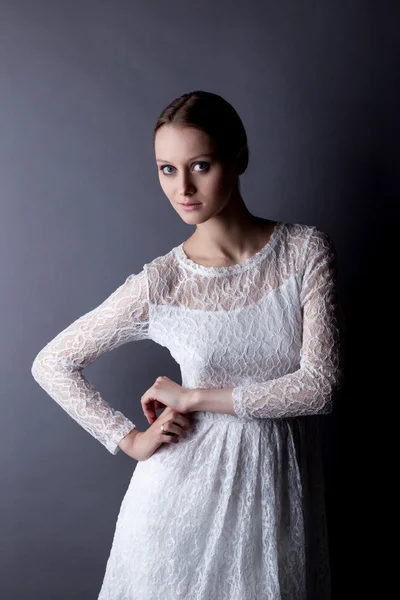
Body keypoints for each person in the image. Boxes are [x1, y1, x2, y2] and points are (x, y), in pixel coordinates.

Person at [31, 90, 343, 600]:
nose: (183, 188)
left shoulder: (305, 251)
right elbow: (53, 363)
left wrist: (193, 397)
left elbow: (319, 389)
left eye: (200, 165)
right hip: (178, 504)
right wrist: (130, 440)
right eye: (166, 169)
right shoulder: (162, 283)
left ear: (239, 157)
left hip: (276, 496)